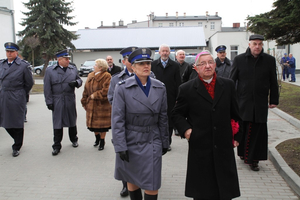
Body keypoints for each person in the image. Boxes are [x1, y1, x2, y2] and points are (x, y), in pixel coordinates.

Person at [171, 50, 242, 200]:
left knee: (224, 191)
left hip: (223, 146)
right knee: (203, 191)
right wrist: (187, 131)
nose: (207, 66)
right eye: (202, 64)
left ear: (215, 64)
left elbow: (236, 113)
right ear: (196, 68)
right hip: (200, 146)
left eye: (210, 62)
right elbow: (176, 114)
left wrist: (237, 136)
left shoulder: (228, 85)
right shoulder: (187, 89)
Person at [112, 48, 169, 200]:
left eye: (148, 63)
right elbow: (117, 120)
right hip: (131, 139)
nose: (146, 66)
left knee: (152, 183)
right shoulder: (122, 88)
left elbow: (163, 117)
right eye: (141, 63)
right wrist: (120, 146)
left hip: (153, 139)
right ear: (133, 67)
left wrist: (165, 141)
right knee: (132, 179)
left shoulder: (160, 87)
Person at [230, 34, 279, 171]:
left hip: (260, 102)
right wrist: (228, 98)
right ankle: (243, 154)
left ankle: (254, 159)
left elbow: (273, 81)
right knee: (243, 129)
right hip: (243, 102)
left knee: (258, 131)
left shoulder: (269, 60)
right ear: (249, 45)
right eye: (255, 44)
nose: (257, 46)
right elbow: (231, 81)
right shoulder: (239, 60)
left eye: (260, 44)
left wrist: (274, 99)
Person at [44, 49, 83, 156]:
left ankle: (74, 139)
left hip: (69, 98)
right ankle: (56, 145)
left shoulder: (72, 68)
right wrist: (49, 101)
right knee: (58, 123)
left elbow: (80, 80)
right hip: (57, 99)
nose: (67, 61)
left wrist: (76, 83)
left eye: (68, 59)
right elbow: (47, 88)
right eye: (66, 59)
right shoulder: (50, 71)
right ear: (59, 60)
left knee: (72, 120)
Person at [0, 42, 34, 157]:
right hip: (4, 95)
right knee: (4, 121)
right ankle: (16, 138)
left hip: (17, 95)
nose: (9, 54)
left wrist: (21, 93)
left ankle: (17, 145)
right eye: (7, 51)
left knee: (17, 121)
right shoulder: (1, 64)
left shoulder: (23, 66)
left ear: (16, 53)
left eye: (11, 52)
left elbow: (29, 83)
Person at [151, 44, 181, 151]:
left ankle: (167, 142)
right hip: (155, 96)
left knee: (168, 119)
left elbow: (178, 82)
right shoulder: (153, 65)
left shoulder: (175, 65)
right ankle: (157, 140)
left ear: (169, 53)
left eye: (167, 51)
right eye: (163, 51)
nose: (165, 53)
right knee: (157, 118)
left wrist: (178, 97)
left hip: (170, 96)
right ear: (159, 53)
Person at [81, 58, 111, 151]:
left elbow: (106, 91)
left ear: (101, 68)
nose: (94, 67)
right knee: (93, 125)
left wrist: (94, 95)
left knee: (102, 126)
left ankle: (102, 140)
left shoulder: (107, 76)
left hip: (102, 105)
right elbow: (86, 89)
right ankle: (97, 138)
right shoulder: (90, 75)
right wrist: (84, 100)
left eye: (95, 65)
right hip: (91, 104)